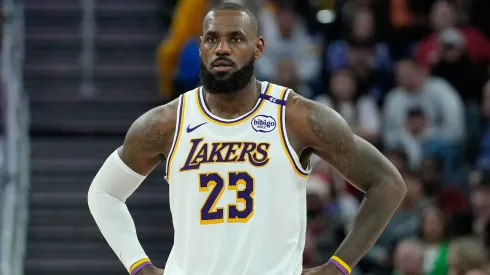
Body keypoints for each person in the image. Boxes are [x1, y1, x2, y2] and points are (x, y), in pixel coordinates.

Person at [87, 3, 406, 275]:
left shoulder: (296, 117)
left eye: (235, 38)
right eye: (212, 39)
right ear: (200, 47)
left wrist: (338, 266)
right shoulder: (166, 123)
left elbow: (388, 184)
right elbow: (103, 193)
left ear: (258, 47)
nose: (221, 48)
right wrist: (138, 265)